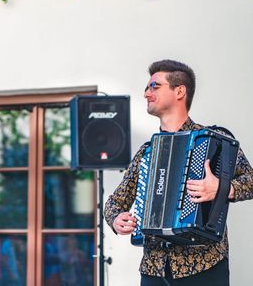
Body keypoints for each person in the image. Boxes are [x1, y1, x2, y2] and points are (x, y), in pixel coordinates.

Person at [104, 59, 253, 285]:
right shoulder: (147, 152)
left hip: (204, 265)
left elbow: (250, 180)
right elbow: (115, 202)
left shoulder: (214, 141)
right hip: (154, 269)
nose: (146, 93)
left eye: (154, 86)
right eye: (147, 88)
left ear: (179, 91)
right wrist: (116, 219)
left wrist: (222, 188)